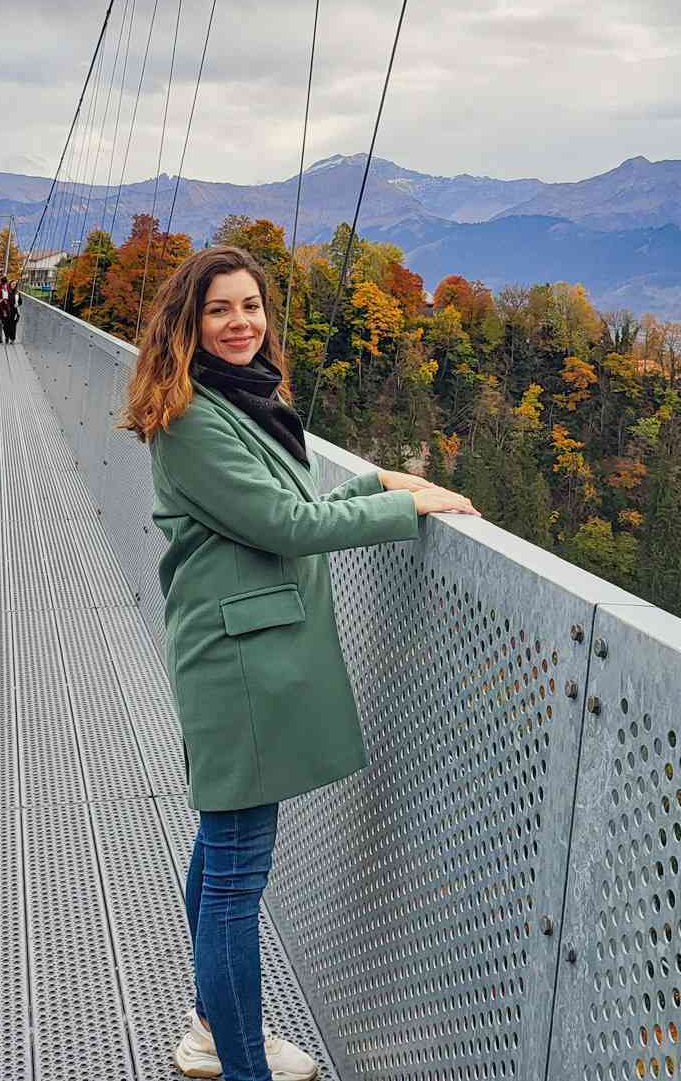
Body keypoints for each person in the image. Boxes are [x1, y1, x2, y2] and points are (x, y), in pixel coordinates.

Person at [120, 245, 477, 1081]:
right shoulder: (194, 417)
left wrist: (380, 481)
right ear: (189, 323)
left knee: (220, 855)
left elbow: (288, 506)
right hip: (241, 667)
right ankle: (241, 1066)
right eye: (219, 310)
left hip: (247, 653)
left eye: (251, 305)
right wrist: (402, 505)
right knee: (236, 881)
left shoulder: (238, 400)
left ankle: (211, 1029)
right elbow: (285, 527)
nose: (240, 322)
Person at [0, 276, 19, 343]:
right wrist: (3, 302)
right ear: (10, 284)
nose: (13, 285)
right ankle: (7, 336)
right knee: (6, 326)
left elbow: (20, 301)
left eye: (15, 284)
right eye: (12, 284)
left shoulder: (17, 293)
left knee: (13, 326)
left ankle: (12, 339)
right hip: (6, 311)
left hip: (14, 311)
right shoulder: (4, 292)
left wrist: (17, 304)